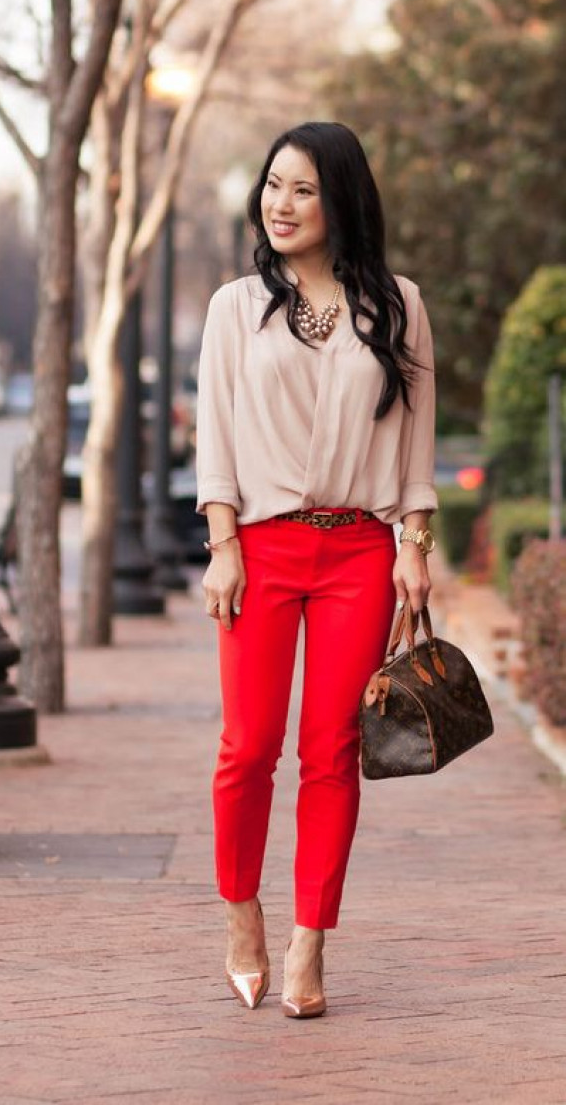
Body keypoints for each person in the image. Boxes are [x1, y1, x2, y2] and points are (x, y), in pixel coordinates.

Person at [195, 121, 437, 1019]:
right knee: (248, 747)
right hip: (260, 548)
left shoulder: (399, 305)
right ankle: (240, 914)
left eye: (302, 189)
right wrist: (222, 546)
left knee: (331, 751)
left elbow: (416, 443)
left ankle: (310, 943)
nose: (281, 204)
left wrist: (415, 545)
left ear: (341, 198)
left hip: (359, 553)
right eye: (272, 186)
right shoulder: (233, 307)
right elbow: (214, 435)